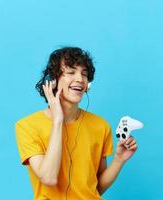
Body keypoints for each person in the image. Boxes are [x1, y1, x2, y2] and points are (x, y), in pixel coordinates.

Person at [14, 47, 138, 200]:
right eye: (71, 72)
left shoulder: (100, 126)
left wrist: (119, 159)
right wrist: (58, 121)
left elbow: (95, 188)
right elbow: (49, 178)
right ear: (52, 81)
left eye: (84, 74)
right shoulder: (27, 126)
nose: (80, 78)